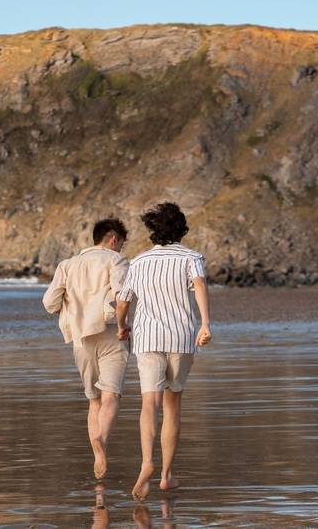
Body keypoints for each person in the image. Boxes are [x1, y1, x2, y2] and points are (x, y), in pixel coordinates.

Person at [116, 202, 212, 501]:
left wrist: (121, 326)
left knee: (150, 404)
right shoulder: (192, 257)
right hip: (181, 337)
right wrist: (206, 324)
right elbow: (198, 286)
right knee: (173, 406)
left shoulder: (139, 262)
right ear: (181, 229)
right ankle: (166, 476)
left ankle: (147, 463)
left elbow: (123, 300)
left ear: (153, 231)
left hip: (147, 338)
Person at [42, 218, 130, 479]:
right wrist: (123, 322)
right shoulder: (116, 261)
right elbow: (121, 295)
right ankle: (101, 441)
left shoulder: (67, 265)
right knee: (111, 396)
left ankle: (97, 451)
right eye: (122, 244)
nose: (121, 249)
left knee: (93, 399)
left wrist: (68, 309)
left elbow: (49, 302)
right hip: (112, 332)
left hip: (80, 337)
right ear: (113, 239)